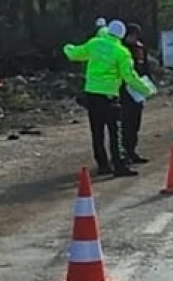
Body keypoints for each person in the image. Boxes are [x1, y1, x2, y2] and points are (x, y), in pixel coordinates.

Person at [62, 20, 156, 177]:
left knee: (97, 132)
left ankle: (103, 165)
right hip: (109, 95)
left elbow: (75, 54)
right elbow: (129, 77)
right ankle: (119, 166)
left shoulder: (94, 44)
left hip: (92, 94)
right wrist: (146, 89)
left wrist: (67, 47)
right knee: (115, 131)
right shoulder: (121, 52)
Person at [119, 22, 151, 165]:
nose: (134, 38)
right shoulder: (121, 50)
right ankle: (125, 153)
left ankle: (132, 151)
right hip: (124, 91)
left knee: (135, 123)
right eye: (132, 35)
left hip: (137, 90)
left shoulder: (141, 48)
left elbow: (145, 68)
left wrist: (147, 85)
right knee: (126, 124)